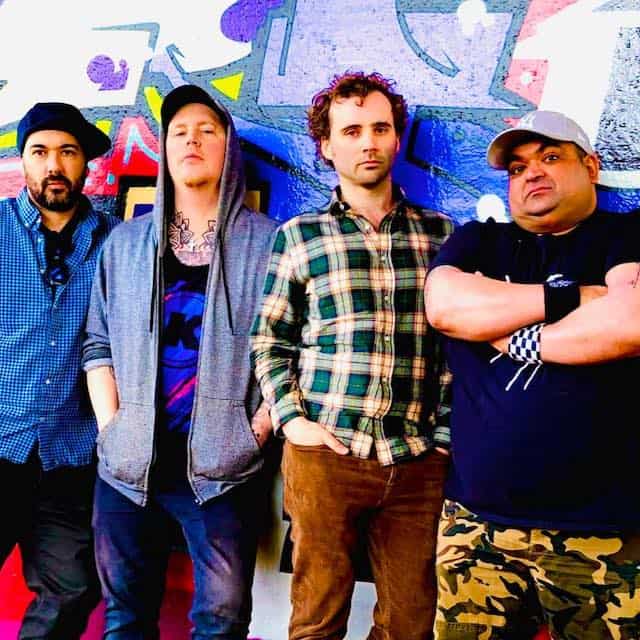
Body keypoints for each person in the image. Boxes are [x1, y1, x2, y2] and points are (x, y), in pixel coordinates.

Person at [251, 71, 452, 640]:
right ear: (326, 146)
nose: (368, 142)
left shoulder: (443, 236)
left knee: (411, 622)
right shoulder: (300, 235)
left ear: (397, 139)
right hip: (326, 454)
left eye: (380, 128)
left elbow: (457, 349)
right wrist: (294, 423)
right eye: (352, 130)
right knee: (316, 617)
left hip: (417, 459)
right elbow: (270, 339)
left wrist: (443, 438)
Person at [426, 110, 640, 639]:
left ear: (591, 167)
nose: (532, 173)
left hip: (603, 532)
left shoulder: (627, 234)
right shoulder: (479, 241)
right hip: (477, 526)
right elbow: (447, 307)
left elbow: (629, 321)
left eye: (550, 156)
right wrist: (573, 297)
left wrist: (520, 337)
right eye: (518, 167)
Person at [82, 84, 277, 639]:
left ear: (228, 148)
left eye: (207, 131)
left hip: (223, 473)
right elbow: (98, 343)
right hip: (127, 470)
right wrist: (113, 427)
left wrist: (254, 432)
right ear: (164, 149)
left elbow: (291, 347)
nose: (192, 141)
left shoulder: (270, 243)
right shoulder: (125, 244)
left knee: (220, 622)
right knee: (124, 620)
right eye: (179, 132)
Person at [0, 102, 117, 639]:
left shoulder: (118, 241)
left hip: (71, 451)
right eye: (40, 151)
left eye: (67, 152)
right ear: (22, 160)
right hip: (3, 437)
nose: (53, 165)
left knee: (72, 588)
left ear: (85, 163)